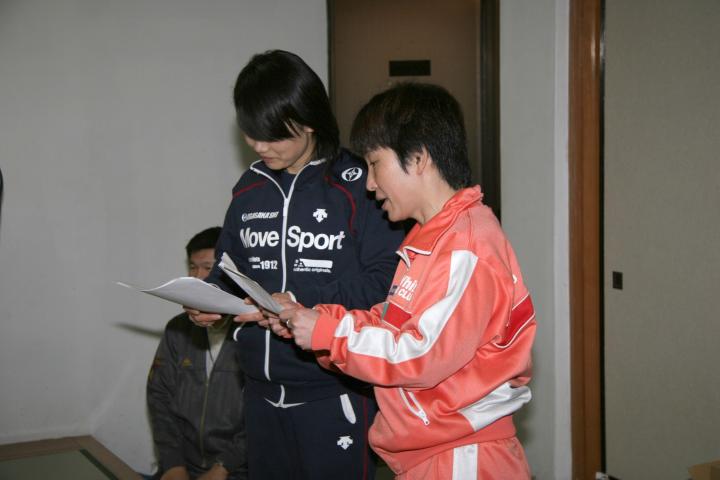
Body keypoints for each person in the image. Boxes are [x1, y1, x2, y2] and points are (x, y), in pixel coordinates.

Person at [274, 83, 537, 479]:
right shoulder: (429, 240)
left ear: (418, 158)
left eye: (375, 163)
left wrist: (330, 334)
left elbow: (420, 354)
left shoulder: (467, 246)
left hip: (461, 455)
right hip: (431, 453)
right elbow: (391, 325)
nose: (369, 184)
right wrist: (315, 321)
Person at [187, 50, 404, 480]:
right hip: (260, 395)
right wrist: (207, 301)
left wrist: (298, 300)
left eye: (272, 135)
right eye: (250, 133)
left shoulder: (359, 185)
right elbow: (228, 270)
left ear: (308, 121)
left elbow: (385, 284)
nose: (258, 146)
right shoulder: (249, 188)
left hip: (334, 394)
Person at [147, 227, 247, 480]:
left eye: (207, 267)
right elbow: (159, 397)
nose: (197, 277)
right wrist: (173, 465)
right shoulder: (178, 329)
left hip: (238, 470)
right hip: (182, 466)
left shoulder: (254, 332)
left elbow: (263, 412)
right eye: (193, 267)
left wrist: (223, 467)